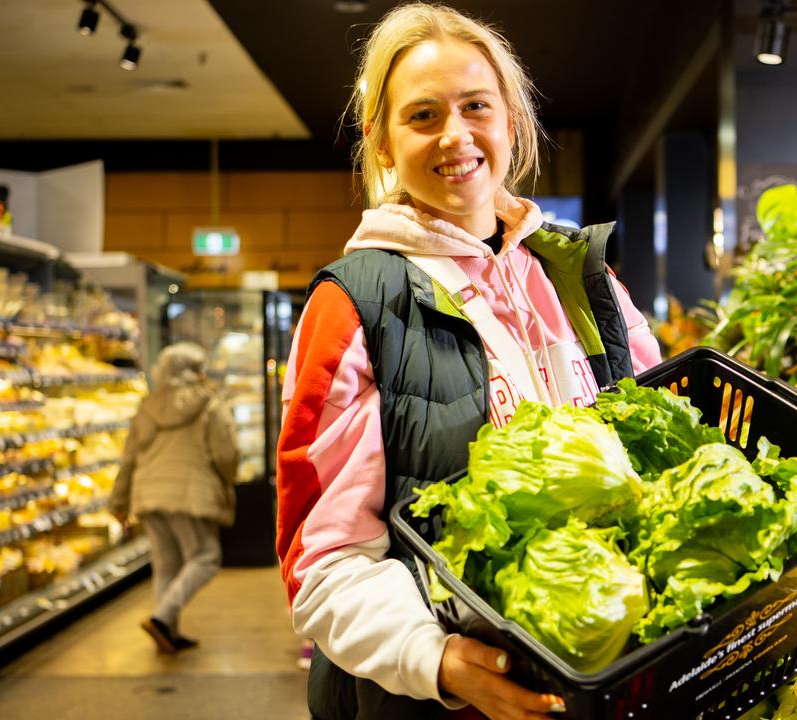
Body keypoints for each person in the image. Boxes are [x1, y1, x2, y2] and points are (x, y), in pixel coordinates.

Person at [275, 4, 662, 718]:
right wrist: (438, 660)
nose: (455, 136)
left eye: (475, 106)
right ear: (383, 143)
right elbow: (324, 563)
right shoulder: (356, 303)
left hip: (600, 681)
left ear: (509, 119)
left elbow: (656, 459)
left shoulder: (582, 275)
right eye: (422, 116)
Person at [111, 341, 239, 654]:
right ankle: (161, 618)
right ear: (197, 371)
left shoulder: (147, 405)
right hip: (191, 494)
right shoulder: (210, 402)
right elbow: (226, 453)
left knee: (166, 564)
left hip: (148, 493)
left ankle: (167, 632)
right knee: (205, 558)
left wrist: (118, 503)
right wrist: (228, 479)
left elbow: (128, 457)